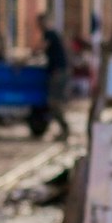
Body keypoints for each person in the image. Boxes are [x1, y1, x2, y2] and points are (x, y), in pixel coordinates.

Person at [39, 13, 72, 142]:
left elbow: (42, 48)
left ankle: (65, 129)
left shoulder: (50, 34)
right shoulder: (55, 34)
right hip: (60, 72)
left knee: (54, 102)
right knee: (55, 102)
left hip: (58, 73)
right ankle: (63, 129)